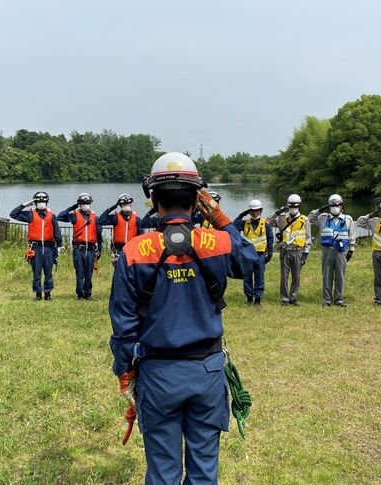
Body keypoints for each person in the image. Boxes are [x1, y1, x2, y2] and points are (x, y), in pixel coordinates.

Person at [109, 152, 257, 485]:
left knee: (162, 472)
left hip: (158, 375)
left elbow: (123, 327)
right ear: (197, 200)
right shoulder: (218, 242)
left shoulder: (134, 251)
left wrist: (124, 370)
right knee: (204, 471)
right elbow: (251, 258)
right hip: (207, 373)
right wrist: (220, 217)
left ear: (153, 198)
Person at [9, 192, 62, 300]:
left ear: (46, 202)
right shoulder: (30, 214)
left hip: (49, 248)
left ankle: (47, 294)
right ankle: (38, 294)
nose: (41, 203)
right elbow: (13, 214)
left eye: (43, 201)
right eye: (38, 202)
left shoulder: (52, 216)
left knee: (48, 272)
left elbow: (57, 232)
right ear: (35, 203)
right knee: (36, 272)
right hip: (35, 248)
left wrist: (59, 246)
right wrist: (24, 205)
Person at [308, 194, 356, 307]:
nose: (335, 207)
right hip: (327, 251)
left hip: (341, 251)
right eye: (333, 205)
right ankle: (327, 300)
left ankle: (339, 299)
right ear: (329, 206)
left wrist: (351, 250)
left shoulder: (348, 219)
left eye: (338, 205)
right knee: (327, 275)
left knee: (340, 275)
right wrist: (319, 210)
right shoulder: (322, 217)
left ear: (341, 206)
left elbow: (352, 235)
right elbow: (308, 219)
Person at [57, 193, 103, 300]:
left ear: (90, 204)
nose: (85, 205)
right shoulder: (74, 216)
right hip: (78, 249)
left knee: (89, 272)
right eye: (83, 203)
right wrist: (72, 207)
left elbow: (99, 234)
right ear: (80, 204)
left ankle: (88, 293)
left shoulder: (95, 218)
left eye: (87, 203)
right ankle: (80, 293)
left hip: (91, 249)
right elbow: (60, 216)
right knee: (80, 272)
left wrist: (99, 249)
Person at [268, 194, 311, 306]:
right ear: (288, 206)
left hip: (298, 251)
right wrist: (278, 212)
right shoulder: (282, 218)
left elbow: (308, 238)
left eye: (295, 206)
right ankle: (285, 299)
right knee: (284, 277)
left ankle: (293, 298)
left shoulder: (304, 219)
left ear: (299, 206)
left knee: (296, 277)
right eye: (290, 206)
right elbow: (267, 222)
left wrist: (305, 254)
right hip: (285, 251)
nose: (293, 208)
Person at [233, 199, 274, 306]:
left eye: (257, 210)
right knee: (247, 278)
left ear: (261, 211)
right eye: (252, 211)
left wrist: (269, 253)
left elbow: (270, 239)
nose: (255, 213)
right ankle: (249, 298)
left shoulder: (266, 224)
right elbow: (234, 225)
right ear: (249, 211)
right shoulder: (244, 223)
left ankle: (258, 300)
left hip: (260, 255)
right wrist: (241, 214)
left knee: (259, 277)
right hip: (247, 255)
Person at [98, 194, 142, 266]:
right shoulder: (115, 218)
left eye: (127, 204)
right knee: (118, 273)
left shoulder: (137, 219)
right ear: (120, 206)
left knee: (131, 273)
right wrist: (112, 207)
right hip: (118, 250)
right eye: (124, 204)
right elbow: (100, 220)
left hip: (132, 250)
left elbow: (140, 237)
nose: (126, 206)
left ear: (130, 205)